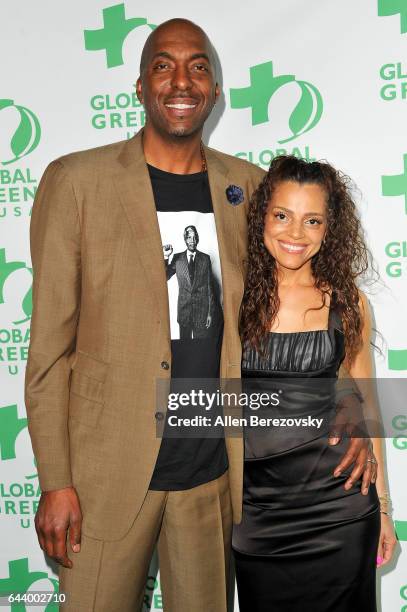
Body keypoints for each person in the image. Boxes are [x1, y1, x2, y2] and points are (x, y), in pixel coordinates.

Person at [24, 18, 376, 612]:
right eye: (163, 65)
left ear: (215, 90)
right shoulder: (76, 182)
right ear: (139, 87)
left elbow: (304, 303)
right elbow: (48, 353)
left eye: (198, 66)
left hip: (216, 479)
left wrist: (347, 396)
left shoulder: (249, 189)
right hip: (105, 477)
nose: (181, 80)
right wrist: (56, 481)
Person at [233, 156, 397, 611]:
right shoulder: (231, 297)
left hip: (339, 511)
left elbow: (367, 407)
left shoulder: (346, 303)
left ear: (329, 230)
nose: (294, 234)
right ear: (262, 216)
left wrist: (382, 508)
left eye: (312, 221)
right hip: (257, 514)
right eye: (282, 215)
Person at [163, 225, 221, 339]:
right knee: (184, 347)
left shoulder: (205, 259)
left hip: (202, 313)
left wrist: (210, 313)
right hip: (184, 313)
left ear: (198, 239)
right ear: (185, 239)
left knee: (200, 349)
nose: (192, 241)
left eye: (194, 237)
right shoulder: (177, 258)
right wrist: (166, 256)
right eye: (189, 237)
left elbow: (209, 287)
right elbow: (164, 277)